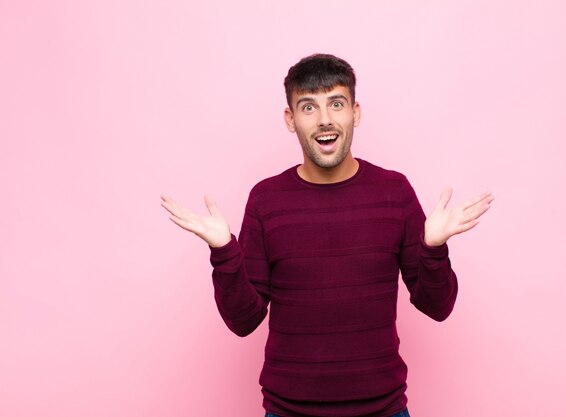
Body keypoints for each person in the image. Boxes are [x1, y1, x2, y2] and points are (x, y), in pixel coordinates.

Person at [161, 53, 493, 417]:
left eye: (336, 104)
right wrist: (224, 251)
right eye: (308, 107)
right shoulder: (265, 200)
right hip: (288, 411)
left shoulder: (394, 192)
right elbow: (244, 322)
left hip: (383, 410)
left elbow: (437, 307)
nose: (324, 120)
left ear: (356, 112)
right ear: (290, 119)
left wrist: (433, 248)